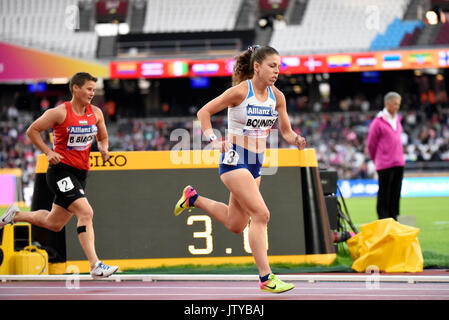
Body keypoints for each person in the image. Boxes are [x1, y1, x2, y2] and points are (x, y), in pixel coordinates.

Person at [174, 45, 306, 293]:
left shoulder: (278, 97)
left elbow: (286, 131)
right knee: (262, 215)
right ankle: (266, 278)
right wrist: (213, 139)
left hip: (256, 163)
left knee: (236, 224)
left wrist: (296, 139)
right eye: (272, 66)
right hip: (235, 159)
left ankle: (193, 198)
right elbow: (204, 112)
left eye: (279, 66)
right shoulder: (239, 92)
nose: (277, 71)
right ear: (257, 67)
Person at [0, 72, 118, 278]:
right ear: (76, 88)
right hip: (60, 172)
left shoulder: (96, 113)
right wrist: (48, 152)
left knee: (54, 223)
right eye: (89, 89)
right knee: (86, 213)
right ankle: (95, 265)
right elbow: (32, 130)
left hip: (80, 174)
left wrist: (104, 147)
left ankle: (15, 216)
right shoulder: (59, 113)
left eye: (94, 89)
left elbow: (103, 136)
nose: (92, 93)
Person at [367, 91, 405, 221]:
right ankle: (383, 220)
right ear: (387, 104)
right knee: (384, 194)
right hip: (384, 164)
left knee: (396, 194)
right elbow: (371, 144)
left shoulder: (398, 120)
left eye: (398, 104)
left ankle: (394, 220)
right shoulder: (377, 122)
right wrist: (377, 159)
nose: (397, 107)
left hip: (399, 162)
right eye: (395, 104)